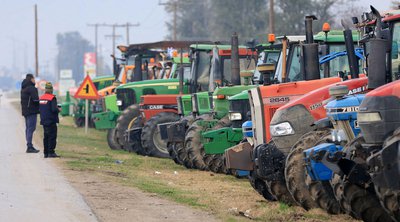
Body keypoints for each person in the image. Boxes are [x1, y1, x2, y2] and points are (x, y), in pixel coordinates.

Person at [39, 82, 60, 158]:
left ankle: (46, 152)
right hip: (51, 120)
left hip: (44, 120)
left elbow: (40, 109)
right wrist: (59, 109)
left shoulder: (41, 98)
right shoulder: (52, 98)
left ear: (45, 89)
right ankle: (51, 152)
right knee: (52, 136)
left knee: (46, 136)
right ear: (51, 90)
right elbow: (54, 109)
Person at [20, 73, 40, 153]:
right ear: (31, 79)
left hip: (25, 111)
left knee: (28, 128)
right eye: (34, 78)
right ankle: (29, 146)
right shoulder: (32, 88)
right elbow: (35, 100)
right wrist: (41, 102)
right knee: (31, 128)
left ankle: (29, 145)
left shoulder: (23, 88)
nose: (34, 80)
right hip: (32, 111)